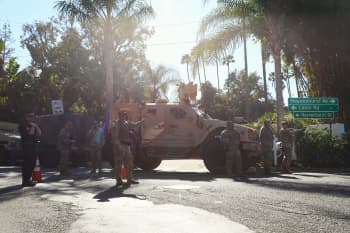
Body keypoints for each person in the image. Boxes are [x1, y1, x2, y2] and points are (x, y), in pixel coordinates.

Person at [111, 111, 143, 186]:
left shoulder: (126, 123)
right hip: (120, 145)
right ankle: (118, 180)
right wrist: (118, 146)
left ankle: (129, 178)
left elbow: (135, 125)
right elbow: (114, 137)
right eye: (123, 115)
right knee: (119, 164)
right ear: (119, 116)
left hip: (127, 146)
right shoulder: (115, 124)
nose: (125, 116)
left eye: (125, 115)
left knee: (129, 163)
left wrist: (142, 121)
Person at [18, 112, 42, 187]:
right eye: (30, 116)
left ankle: (28, 179)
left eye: (32, 116)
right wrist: (33, 126)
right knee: (27, 164)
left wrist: (36, 126)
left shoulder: (33, 125)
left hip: (33, 146)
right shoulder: (23, 124)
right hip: (27, 146)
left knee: (32, 163)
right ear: (26, 117)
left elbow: (39, 133)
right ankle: (25, 182)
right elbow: (30, 133)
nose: (32, 118)